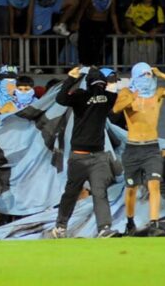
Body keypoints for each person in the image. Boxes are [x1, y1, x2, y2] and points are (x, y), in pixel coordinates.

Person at [113, 62, 165, 236]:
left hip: (151, 148)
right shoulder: (127, 92)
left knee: (154, 184)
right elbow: (116, 108)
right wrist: (131, 98)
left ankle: (154, 224)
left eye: (149, 75)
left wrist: (161, 74)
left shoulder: (158, 94)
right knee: (132, 188)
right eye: (143, 75)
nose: (147, 78)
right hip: (133, 147)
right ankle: (130, 222)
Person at [49, 67, 119, 239]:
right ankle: (102, 228)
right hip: (95, 156)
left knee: (74, 193)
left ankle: (64, 227)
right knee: (97, 192)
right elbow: (109, 90)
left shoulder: (80, 96)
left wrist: (71, 79)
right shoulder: (109, 98)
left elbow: (61, 98)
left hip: (81, 155)